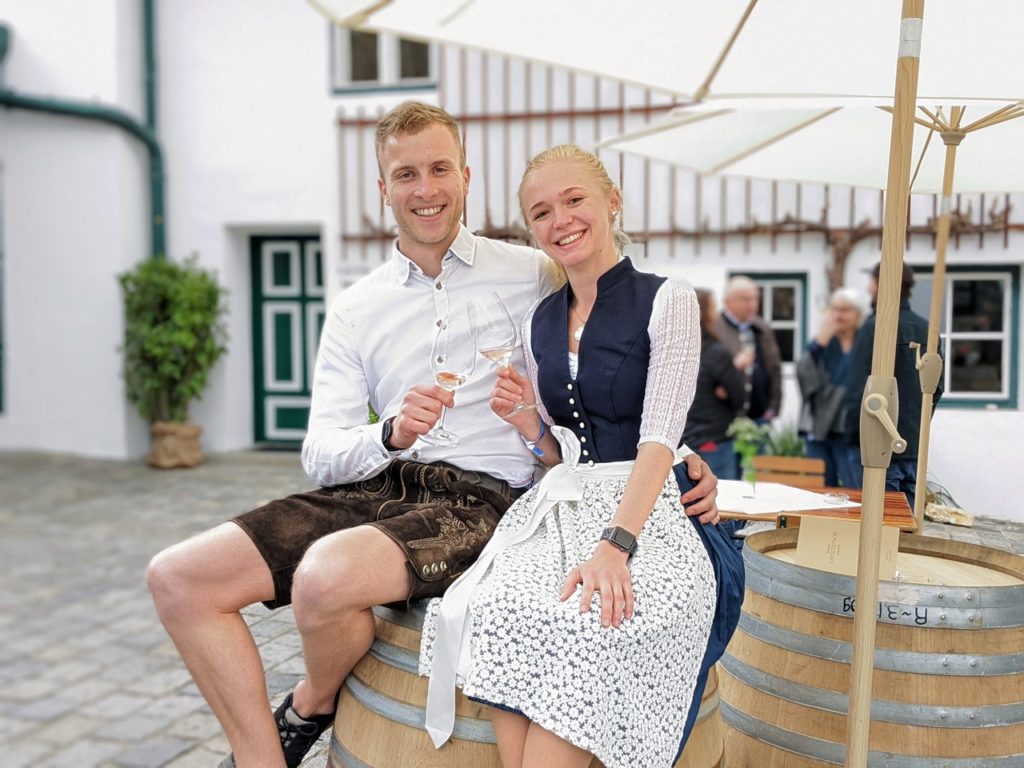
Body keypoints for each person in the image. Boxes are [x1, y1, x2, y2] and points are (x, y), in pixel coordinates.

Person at [146, 102, 720, 768]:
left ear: (466, 177)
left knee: (324, 579)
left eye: (440, 169)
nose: (426, 189)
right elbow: (320, 454)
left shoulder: (535, 269)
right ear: (383, 188)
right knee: (178, 578)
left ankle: (310, 702)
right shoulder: (356, 307)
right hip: (379, 483)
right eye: (406, 174)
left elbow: (612, 360)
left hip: (481, 497)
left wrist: (679, 458)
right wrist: (388, 434)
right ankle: (264, 756)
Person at [420, 145, 740, 768]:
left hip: (651, 517)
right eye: (541, 212)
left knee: (591, 626)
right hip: (567, 510)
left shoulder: (667, 298)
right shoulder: (539, 321)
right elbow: (559, 456)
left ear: (612, 202)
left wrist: (616, 546)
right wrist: (529, 426)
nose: (560, 220)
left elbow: (659, 436)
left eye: (574, 201)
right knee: (498, 609)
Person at [842, 262, 942, 508]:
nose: (868, 288)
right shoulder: (927, 330)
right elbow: (936, 388)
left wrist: (853, 439)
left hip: (876, 445)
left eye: (871, 282)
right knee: (905, 523)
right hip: (914, 446)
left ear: (880, 284)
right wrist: (917, 427)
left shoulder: (874, 328)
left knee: (875, 521)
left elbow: (856, 388)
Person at [798, 287, 864, 487]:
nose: (838, 315)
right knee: (820, 488)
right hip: (820, 427)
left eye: (845, 310)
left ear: (857, 314)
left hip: (850, 427)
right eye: (835, 309)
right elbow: (804, 375)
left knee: (853, 485)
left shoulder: (865, 342)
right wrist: (820, 344)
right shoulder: (821, 343)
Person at [684, 288, 747, 481]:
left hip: (684, 442)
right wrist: (735, 373)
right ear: (704, 313)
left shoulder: (679, 350)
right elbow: (740, 397)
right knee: (722, 495)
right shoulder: (716, 352)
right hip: (713, 441)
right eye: (714, 308)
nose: (717, 314)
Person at [714, 275, 783, 433]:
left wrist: (773, 407)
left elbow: (774, 367)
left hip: (760, 417)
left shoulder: (762, 328)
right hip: (725, 419)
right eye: (745, 299)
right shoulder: (715, 328)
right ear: (728, 301)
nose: (752, 304)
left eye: (755, 299)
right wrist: (735, 366)